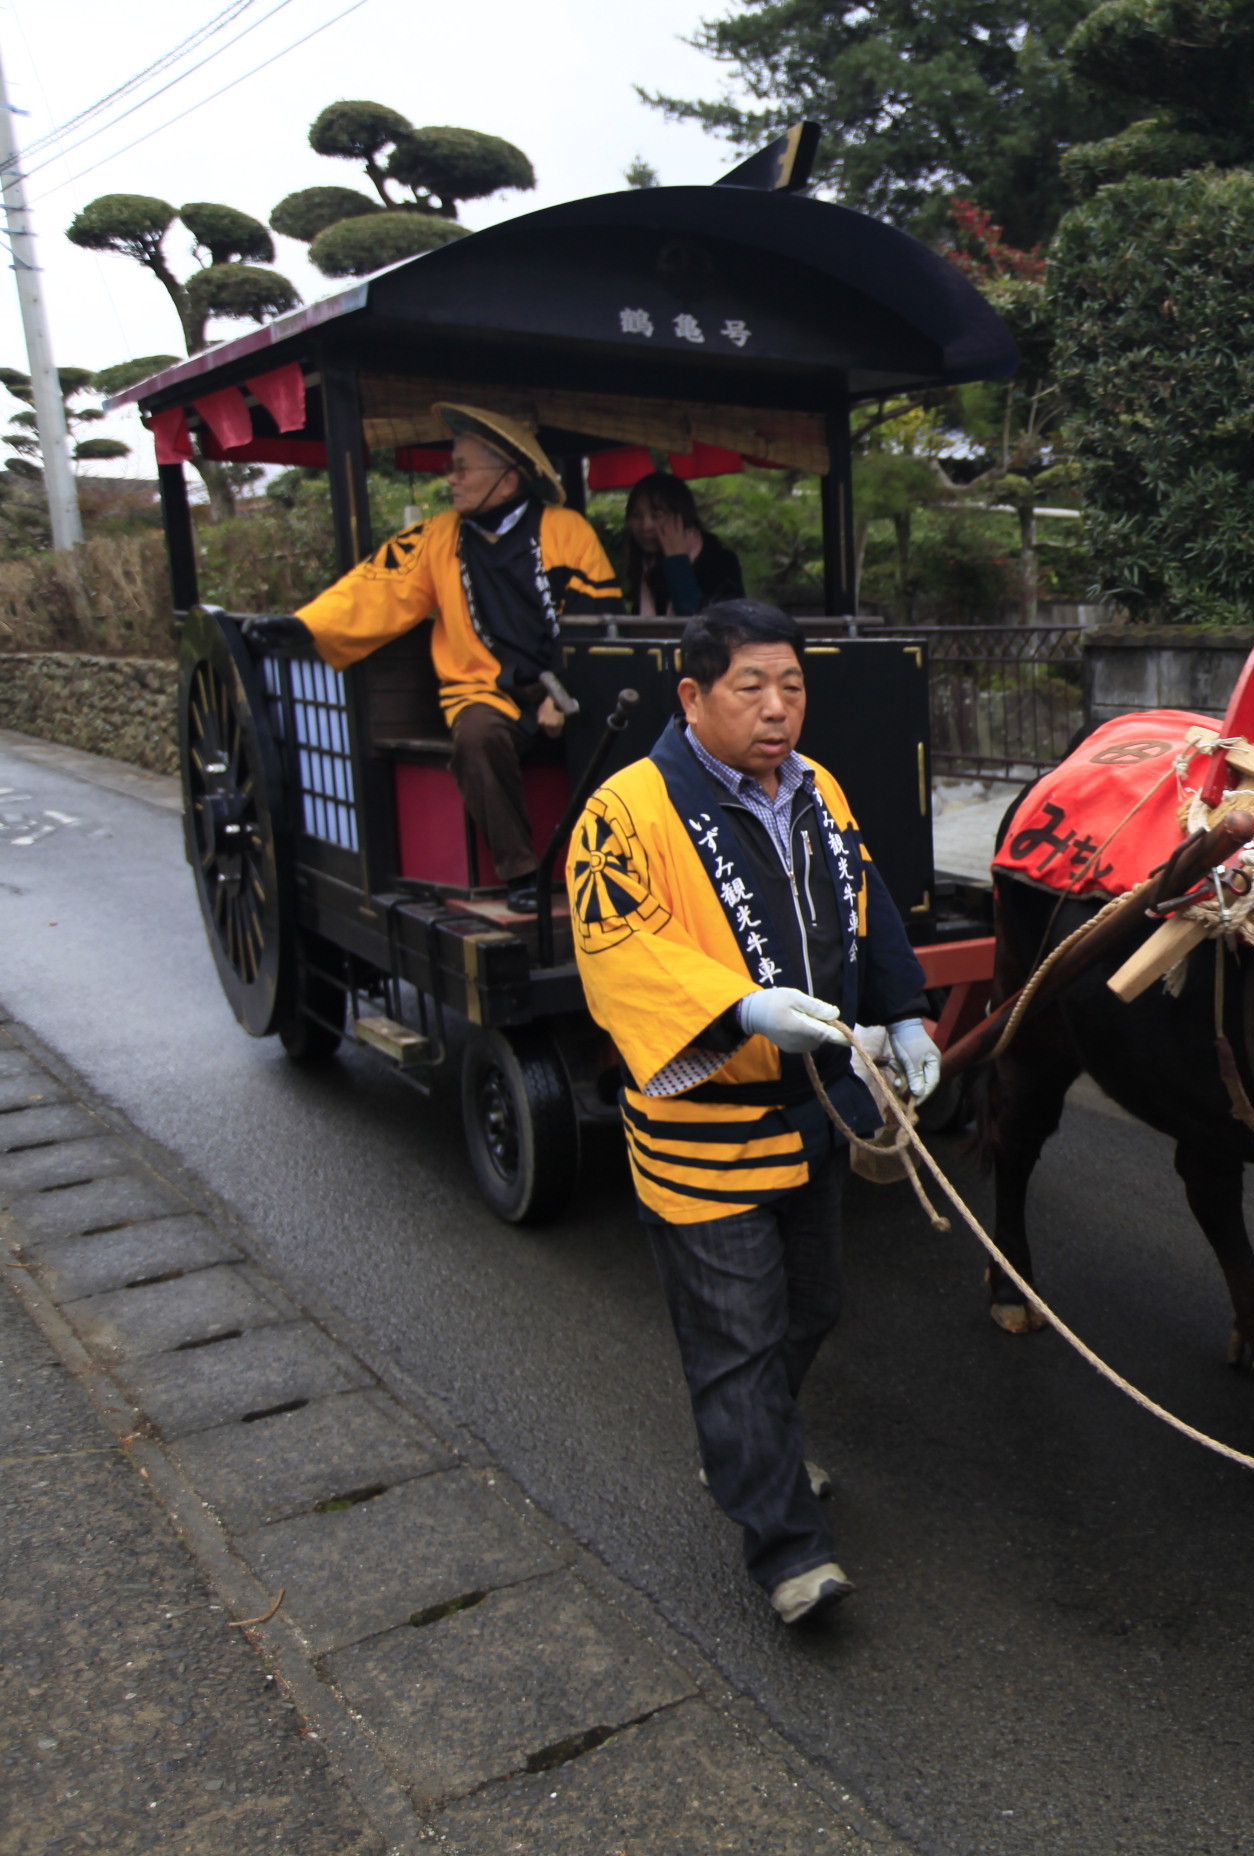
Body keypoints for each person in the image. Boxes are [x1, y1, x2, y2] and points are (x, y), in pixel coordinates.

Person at [564, 599, 941, 1627]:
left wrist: (906, 1013)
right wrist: (739, 1007)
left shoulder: (818, 787)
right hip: (706, 1125)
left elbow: (865, 905)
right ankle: (789, 1550)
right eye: (751, 688)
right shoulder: (625, 811)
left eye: (792, 686)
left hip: (813, 1105)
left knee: (812, 1307)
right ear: (692, 696)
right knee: (736, 1338)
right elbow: (621, 950)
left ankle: (746, 1445)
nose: (778, 708)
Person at [251, 404, 623, 914]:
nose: (450, 478)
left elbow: (596, 617)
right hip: (482, 688)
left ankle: (620, 865)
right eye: (451, 467)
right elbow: (376, 589)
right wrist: (305, 626)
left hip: (569, 683)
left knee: (619, 729)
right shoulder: (437, 537)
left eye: (462, 468)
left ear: (508, 479)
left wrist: (563, 689)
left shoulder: (566, 530)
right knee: (477, 736)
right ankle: (522, 874)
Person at [621, 470, 747, 618]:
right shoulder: (647, 566)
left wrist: (678, 562)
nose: (645, 526)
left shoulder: (720, 562)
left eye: (656, 516)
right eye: (636, 516)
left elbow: (703, 622)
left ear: (682, 518)